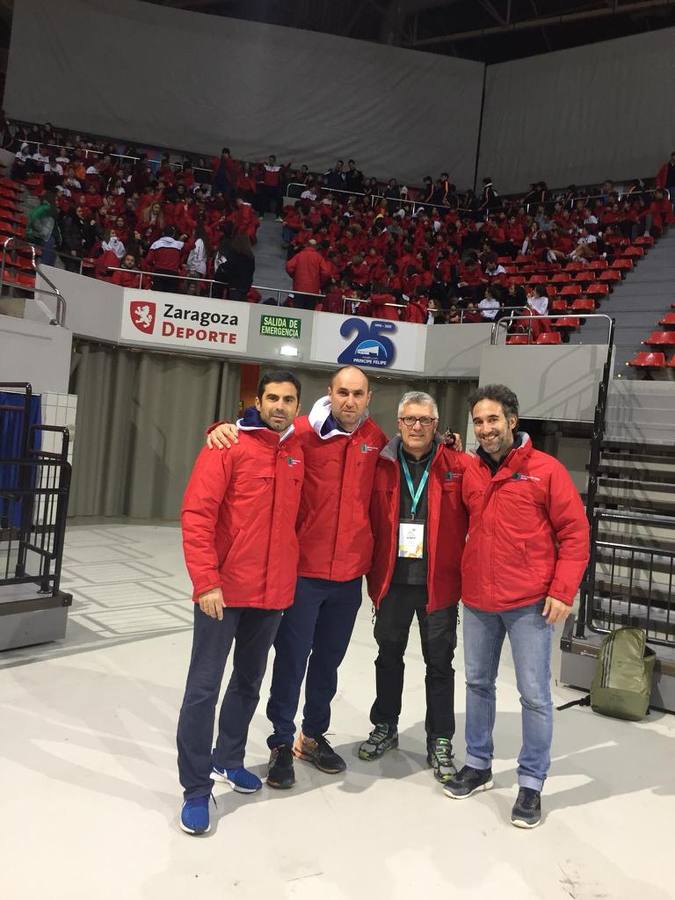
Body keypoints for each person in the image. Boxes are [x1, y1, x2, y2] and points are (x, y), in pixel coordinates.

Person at [207, 366, 387, 789]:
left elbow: (417, 451)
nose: (349, 401)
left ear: (369, 397)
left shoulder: (374, 440)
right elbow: (256, 435)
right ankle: (281, 741)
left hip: (348, 577)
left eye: (358, 394)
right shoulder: (301, 433)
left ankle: (312, 735)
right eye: (342, 392)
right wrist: (220, 428)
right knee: (291, 659)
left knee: (328, 661)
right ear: (330, 393)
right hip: (303, 573)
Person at [443, 384, 589, 829]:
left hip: (530, 604)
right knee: (478, 684)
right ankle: (480, 764)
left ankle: (531, 783)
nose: (486, 429)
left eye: (493, 420)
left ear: (512, 420)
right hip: (480, 600)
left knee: (535, 696)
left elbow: (575, 535)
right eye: (479, 422)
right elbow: (425, 445)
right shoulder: (470, 470)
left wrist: (563, 590)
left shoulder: (546, 471)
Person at [177, 370, 305, 836]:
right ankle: (194, 788)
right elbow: (196, 515)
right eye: (272, 397)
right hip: (223, 593)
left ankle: (228, 759)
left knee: (249, 681)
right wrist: (206, 580)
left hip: (271, 595)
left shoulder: (296, 450)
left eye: (289, 400)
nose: (280, 406)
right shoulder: (226, 446)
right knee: (203, 688)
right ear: (257, 400)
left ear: (298, 406)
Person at [359, 391, 469, 783]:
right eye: (410, 420)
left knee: (440, 663)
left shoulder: (458, 464)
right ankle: (385, 725)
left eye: (424, 420)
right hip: (392, 583)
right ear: (399, 423)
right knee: (388, 657)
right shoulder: (380, 464)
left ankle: (440, 738)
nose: (417, 427)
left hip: (438, 586)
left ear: (436, 425)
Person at [285, 238, 332, 309]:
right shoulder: (319, 257)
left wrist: (295, 276)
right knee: (309, 312)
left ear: (307, 245)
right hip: (313, 290)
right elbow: (326, 272)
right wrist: (319, 281)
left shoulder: (299, 255)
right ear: (315, 246)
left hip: (299, 288)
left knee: (298, 311)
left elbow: (289, 266)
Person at [213, 232, 255, 301]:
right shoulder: (251, 258)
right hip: (245, 289)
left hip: (234, 288)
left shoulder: (234, 255)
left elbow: (229, 269)